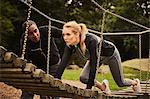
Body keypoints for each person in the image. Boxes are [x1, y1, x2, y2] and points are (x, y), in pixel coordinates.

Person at [54, 21, 141, 95]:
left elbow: (94, 66)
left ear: (77, 34)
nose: (65, 38)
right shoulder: (70, 45)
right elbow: (63, 63)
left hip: (111, 55)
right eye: (64, 34)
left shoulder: (91, 40)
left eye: (68, 34)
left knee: (120, 83)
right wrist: (55, 81)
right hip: (96, 58)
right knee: (83, 78)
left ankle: (135, 83)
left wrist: (88, 88)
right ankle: (103, 86)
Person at [20, 20, 62, 99]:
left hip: (54, 64)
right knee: (30, 88)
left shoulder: (46, 30)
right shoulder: (25, 41)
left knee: (53, 90)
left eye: (35, 31)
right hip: (39, 67)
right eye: (31, 34)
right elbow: (26, 59)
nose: (35, 35)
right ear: (26, 35)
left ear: (37, 28)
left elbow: (63, 33)